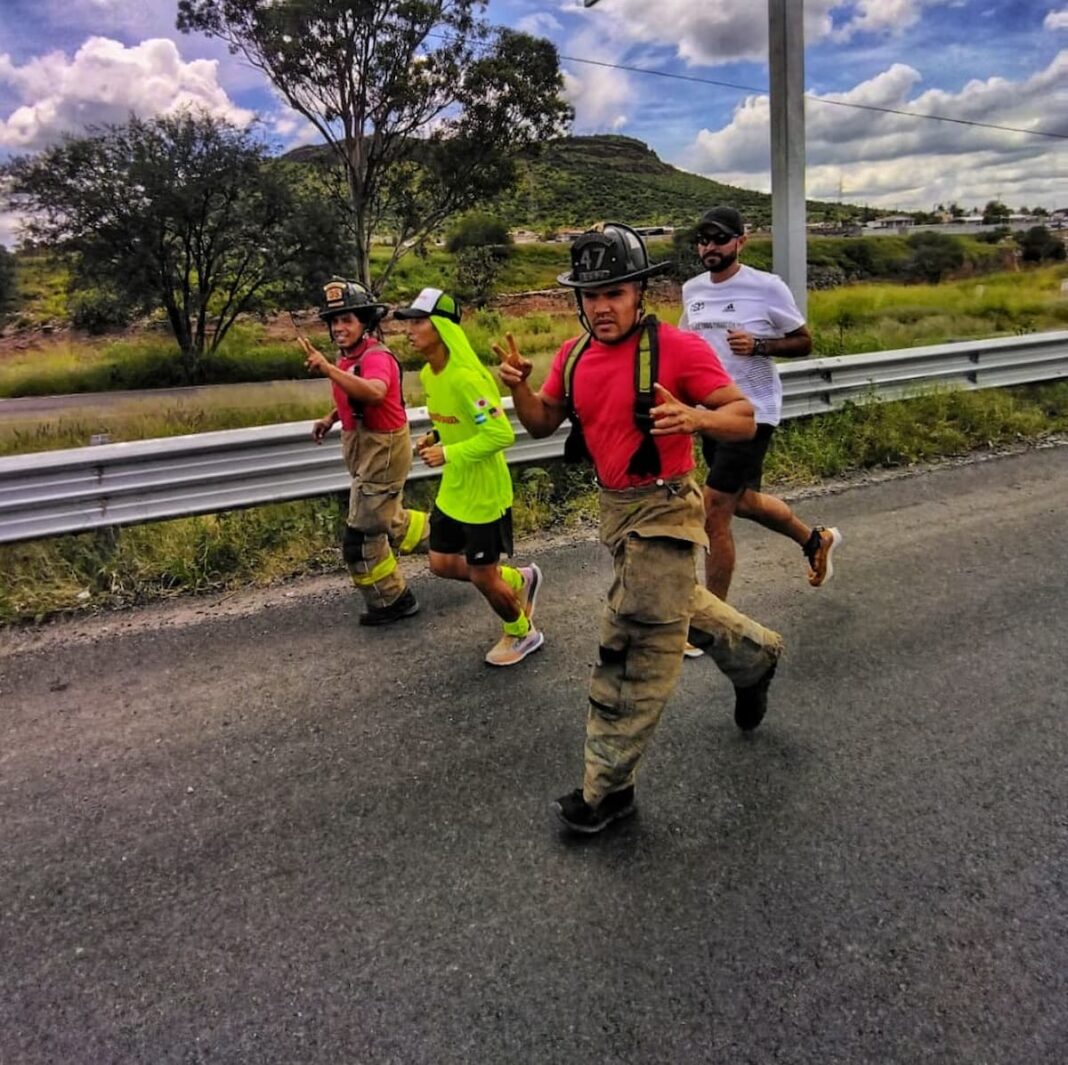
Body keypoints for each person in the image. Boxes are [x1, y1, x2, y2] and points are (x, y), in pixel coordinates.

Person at [496, 223, 784, 834]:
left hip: (666, 509)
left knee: (632, 641)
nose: (602, 307)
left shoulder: (677, 349)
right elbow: (544, 423)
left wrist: (695, 417)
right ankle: (754, 655)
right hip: (616, 511)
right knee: (678, 605)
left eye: (616, 293)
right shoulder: (573, 356)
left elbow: (743, 417)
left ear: (640, 293)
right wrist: (521, 390)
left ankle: (608, 790)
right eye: (591, 295)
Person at [679, 205, 842, 604]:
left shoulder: (767, 287)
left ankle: (713, 618)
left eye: (719, 238)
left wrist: (759, 346)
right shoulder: (693, 290)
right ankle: (814, 539)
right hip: (713, 412)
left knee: (714, 507)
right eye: (703, 239)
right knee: (743, 502)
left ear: (741, 241)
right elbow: (687, 344)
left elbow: (803, 341)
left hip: (753, 412)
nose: (710, 246)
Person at [395, 287, 545, 667]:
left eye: (418, 322)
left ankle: (522, 633)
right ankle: (517, 580)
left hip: (483, 494)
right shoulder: (431, 375)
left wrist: (447, 452)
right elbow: (457, 422)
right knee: (441, 563)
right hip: (455, 489)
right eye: (408, 323)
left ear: (442, 327)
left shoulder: (465, 378)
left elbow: (500, 434)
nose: (409, 330)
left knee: (481, 576)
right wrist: (436, 436)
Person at [303, 277, 429, 625]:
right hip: (363, 445)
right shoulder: (347, 358)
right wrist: (330, 418)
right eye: (334, 321)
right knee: (391, 519)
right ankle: (455, 540)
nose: (339, 327)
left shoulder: (377, 357)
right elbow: (351, 395)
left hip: (383, 448)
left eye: (347, 320)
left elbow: (375, 392)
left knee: (360, 538)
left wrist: (327, 369)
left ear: (365, 322)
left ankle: (392, 599)